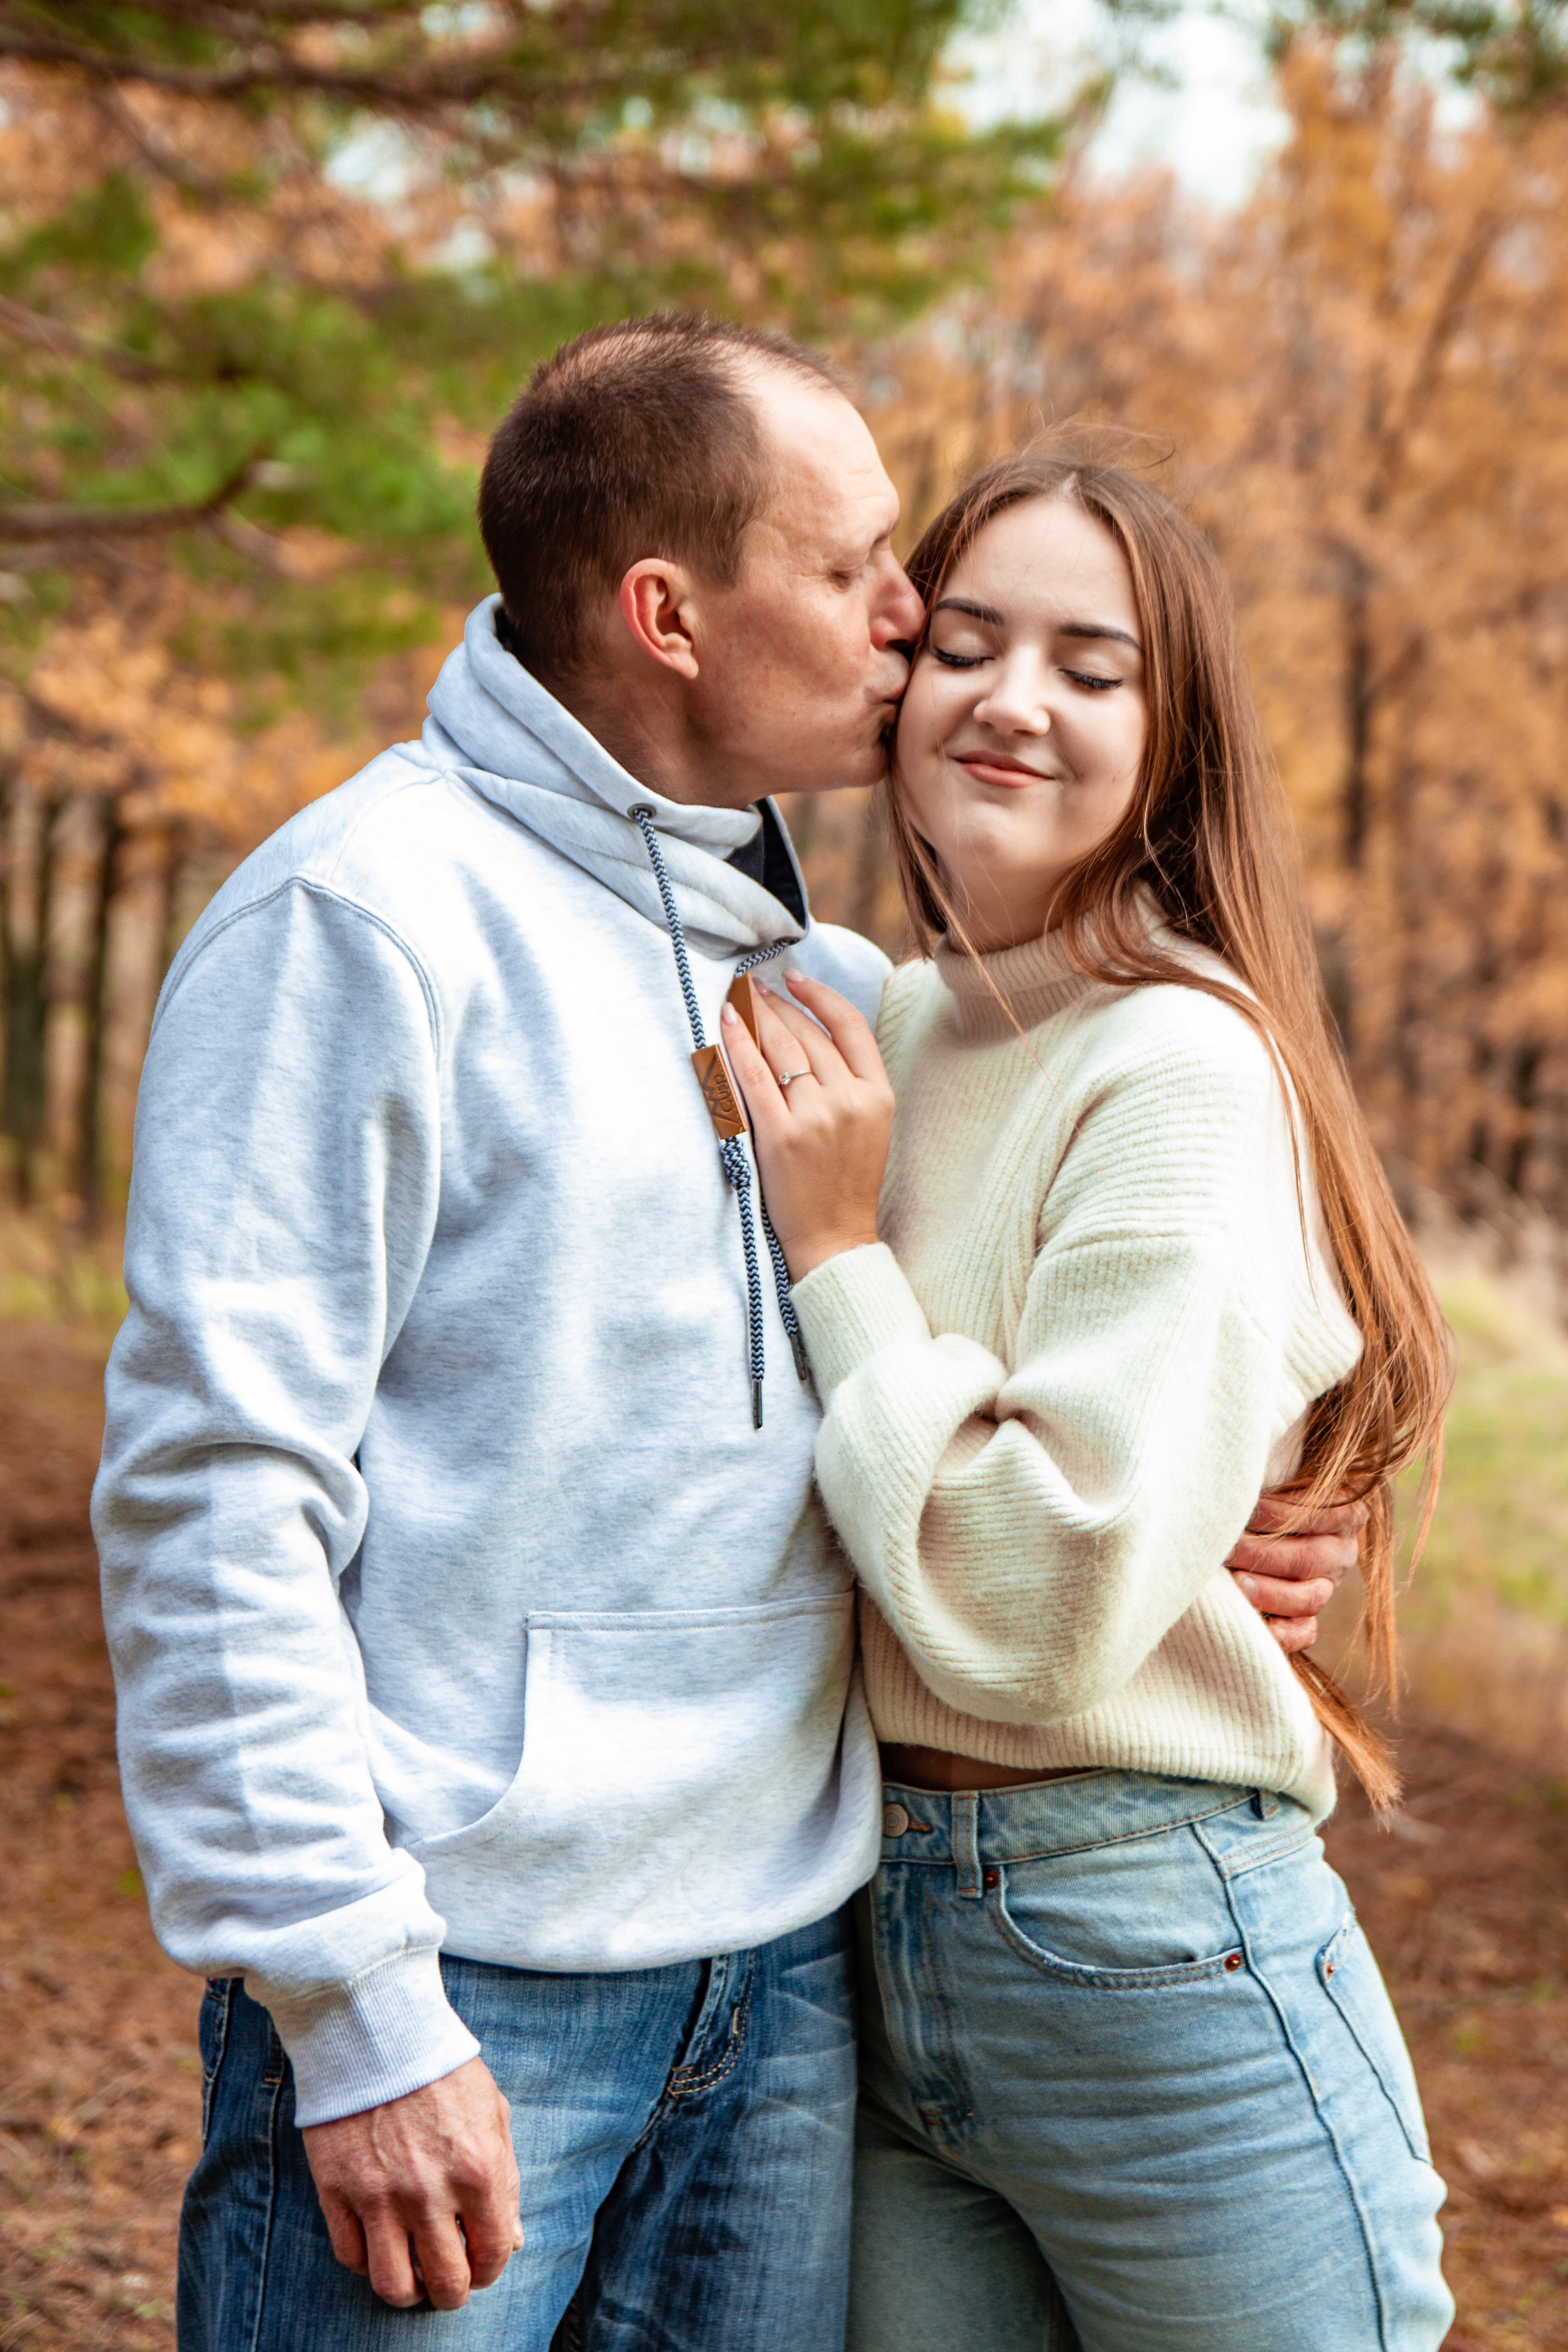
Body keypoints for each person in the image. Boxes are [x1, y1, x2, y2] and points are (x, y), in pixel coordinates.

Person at [94, 325, 1361, 2352]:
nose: (910, 617)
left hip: (794, 1993)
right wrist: (351, 2002)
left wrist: (1213, 1534)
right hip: (472, 1988)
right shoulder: (365, 920)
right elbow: (213, 1493)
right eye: (860, 569)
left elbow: (1031, 1402)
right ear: (668, 616)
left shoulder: (830, 992)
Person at [722, 448, 1455, 2351]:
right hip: (881, 1936)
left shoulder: (1179, 1062)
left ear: (1172, 735)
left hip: (1147, 1936)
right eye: (965, 644)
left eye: (1090, 664)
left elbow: (1042, 1597)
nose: (1014, 699)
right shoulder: (896, 1029)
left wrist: (837, 1253)